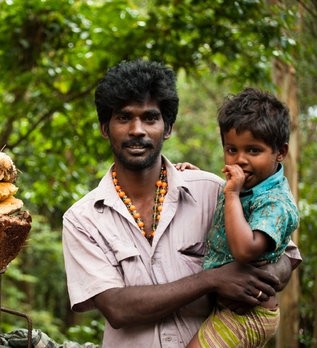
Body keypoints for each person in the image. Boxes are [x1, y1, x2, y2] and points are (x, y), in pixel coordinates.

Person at [61, 59, 301, 348]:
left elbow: (285, 254)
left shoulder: (216, 192)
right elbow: (117, 308)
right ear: (104, 128)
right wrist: (212, 280)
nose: (137, 130)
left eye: (150, 118)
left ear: (168, 128)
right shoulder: (82, 219)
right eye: (124, 118)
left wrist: (259, 282)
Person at [182, 88, 300, 348]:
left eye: (253, 151)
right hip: (228, 306)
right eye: (231, 149)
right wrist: (193, 175)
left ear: (280, 152)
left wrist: (232, 193)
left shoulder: (275, 202)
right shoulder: (249, 187)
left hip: (250, 315)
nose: (240, 160)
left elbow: (246, 250)